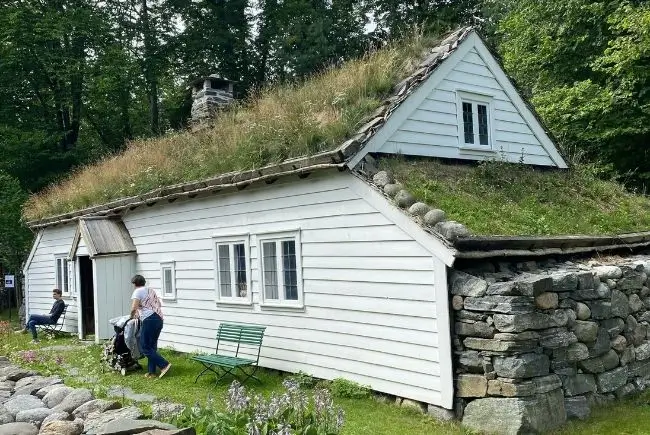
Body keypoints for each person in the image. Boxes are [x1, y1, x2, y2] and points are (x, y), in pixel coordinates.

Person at [130, 274, 171, 379]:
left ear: (135, 284)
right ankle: (151, 372)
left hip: (150, 319)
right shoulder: (151, 291)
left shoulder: (138, 291)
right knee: (151, 346)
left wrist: (131, 316)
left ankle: (164, 365)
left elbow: (134, 307)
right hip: (159, 319)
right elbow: (158, 305)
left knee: (145, 347)